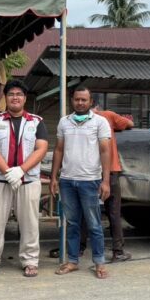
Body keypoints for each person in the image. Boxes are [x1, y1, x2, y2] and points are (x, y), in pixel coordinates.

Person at [0, 80, 48, 278]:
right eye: (11, 94)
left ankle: (30, 261)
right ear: (5, 98)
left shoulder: (37, 122)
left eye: (19, 94)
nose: (15, 97)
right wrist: (9, 172)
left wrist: (21, 171)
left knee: (30, 223)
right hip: (0, 179)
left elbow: (41, 148)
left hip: (28, 180)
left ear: (25, 98)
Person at [50, 85, 112, 279]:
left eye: (84, 99)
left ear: (90, 101)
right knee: (72, 223)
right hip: (67, 180)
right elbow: (59, 150)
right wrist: (54, 177)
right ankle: (73, 261)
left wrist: (106, 181)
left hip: (90, 181)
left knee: (94, 224)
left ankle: (99, 262)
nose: (80, 102)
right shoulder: (64, 122)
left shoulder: (100, 122)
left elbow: (105, 151)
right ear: (72, 100)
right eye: (77, 99)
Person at [93, 104, 134, 262]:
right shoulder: (108, 115)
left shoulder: (82, 119)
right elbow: (130, 124)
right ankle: (118, 251)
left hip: (90, 171)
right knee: (114, 212)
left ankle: (79, 249)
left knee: (86, 210)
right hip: (110, 170)